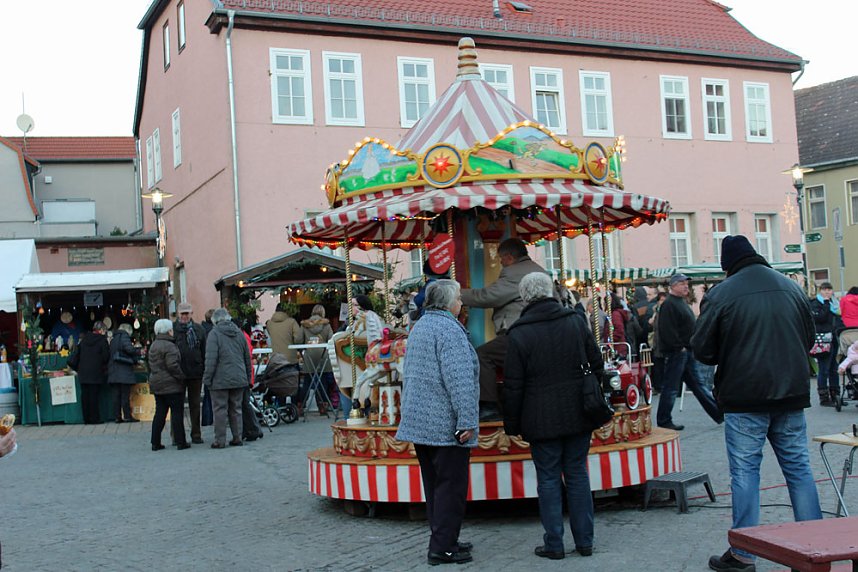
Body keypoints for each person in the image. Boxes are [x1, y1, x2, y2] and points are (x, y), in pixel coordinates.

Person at [691, 235, 822, 572]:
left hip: (744, 395)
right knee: (799, 470)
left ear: (727, 265)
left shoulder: (721, 294)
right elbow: (808, 339)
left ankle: (743, 553)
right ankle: (817, 548)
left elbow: (703, 350)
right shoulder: (791, 287)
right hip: (791, 392)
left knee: (745, 473)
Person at [504, 272, 602, 560]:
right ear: (551, 291)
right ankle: (585, 541)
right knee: (577, 474)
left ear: (524, 297)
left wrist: (512, 422)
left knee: (547, 479)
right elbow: (596, 363)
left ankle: (554, 543)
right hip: (578, 411)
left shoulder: (519, 332)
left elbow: (513, 385)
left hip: (540, 417)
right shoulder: (574, 321)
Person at [395, 279, 478, 566]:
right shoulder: (449, 330)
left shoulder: (420, 327)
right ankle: (442, 547)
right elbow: (459, 379)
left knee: (435, 486)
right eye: (458, 297)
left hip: (421, 421)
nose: (461, 302)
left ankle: (444, 537)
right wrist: (467, 420)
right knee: (451, 488)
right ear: (448, 302)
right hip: (444, 422)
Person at [460, 237, 546, 420]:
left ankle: (489, 405)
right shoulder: (538, 270)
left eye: (501, 259)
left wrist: (456, 294)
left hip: (521, 333)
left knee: (482, 355)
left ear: (508, 257)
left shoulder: (514, 273)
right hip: (541, 333)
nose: (500, 263)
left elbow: (488, 296)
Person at [655, 274, 722, 430]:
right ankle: (664, 419)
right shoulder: (669, 304)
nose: (686, 286)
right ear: (672, 286)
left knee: (698, 385)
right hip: (678, 352)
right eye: (681, 283)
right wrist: (679, 347)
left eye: (686, 283)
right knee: (671, 387)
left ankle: (718, 413)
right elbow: (666, 330)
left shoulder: (680, 302)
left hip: (685, 351)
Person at [203, 308, 251, 448]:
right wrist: (247, 378)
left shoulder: (214, 334)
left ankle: (220, 440)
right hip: (239, 377)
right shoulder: (239, 333)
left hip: (220, 380)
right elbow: (247, 357)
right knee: (236, 409)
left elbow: (211, 360)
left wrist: (207, 379)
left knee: (220, 410)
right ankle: (237, 437)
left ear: (215, 321)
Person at [148, 319, 190, 451]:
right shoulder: (170, 346)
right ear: (169, 330)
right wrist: (181, 377)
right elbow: (173, 365)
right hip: (172, 384)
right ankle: (180, 441)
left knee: (160, 413)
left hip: (157, 383)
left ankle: (155, 442)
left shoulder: (154, 345)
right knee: (177, 413)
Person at [173, 302, 207, 444]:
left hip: (195, 372)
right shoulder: (172, 330)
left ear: (192, 313)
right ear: (178, 314)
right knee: (177, 406)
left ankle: (196, 434)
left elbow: (204, 350)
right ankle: (177, 436)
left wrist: (203, 368)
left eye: (187, 313)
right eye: (183, 313)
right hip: (178, 373)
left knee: (195, 405)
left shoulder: (199, 329)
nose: (185, 316)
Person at [68, 321, 110, 424]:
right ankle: (95, 418)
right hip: (96, 371)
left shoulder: (84, 340)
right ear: (101, 330)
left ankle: (86, 418)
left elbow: (77, 354)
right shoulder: (102, 340)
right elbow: (106, 357)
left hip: (83, 372)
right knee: (94, 396)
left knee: (85, 396)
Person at [300, 304, 337, 409]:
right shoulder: (326, 325)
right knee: (323, 380)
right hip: (323, 357)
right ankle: (322, 405)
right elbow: (331, 339)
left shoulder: (304, 325)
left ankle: (301, 405)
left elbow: (298, 339)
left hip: (309, 357)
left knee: (307, 381)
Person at [809, 282, 840, 406]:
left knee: (834, 369)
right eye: (825, 290)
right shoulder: (815, 303)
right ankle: (824, 397)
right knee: (824, 369)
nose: (827, 292)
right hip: (822, 340)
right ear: (820, 291)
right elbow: (819, 318)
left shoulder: (834, 304)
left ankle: (835, 395)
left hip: (833, 338)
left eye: (829, 290)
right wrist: (826, 304)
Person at [108, 323, 140, 423]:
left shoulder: (114, 338)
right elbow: (129, 349)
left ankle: (117, 417)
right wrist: (137, 351)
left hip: (113, 371)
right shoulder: (124, 336)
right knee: (125, 395)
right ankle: (127, 416)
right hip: (124, 371)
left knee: (116, 396)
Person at [201, 308, 216, 426]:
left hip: (204, 364)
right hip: (211, 364)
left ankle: (206, 419)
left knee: (207, 394)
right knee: (211, 394)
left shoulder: (201, 330)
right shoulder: (213, 332)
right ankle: (210, 418)